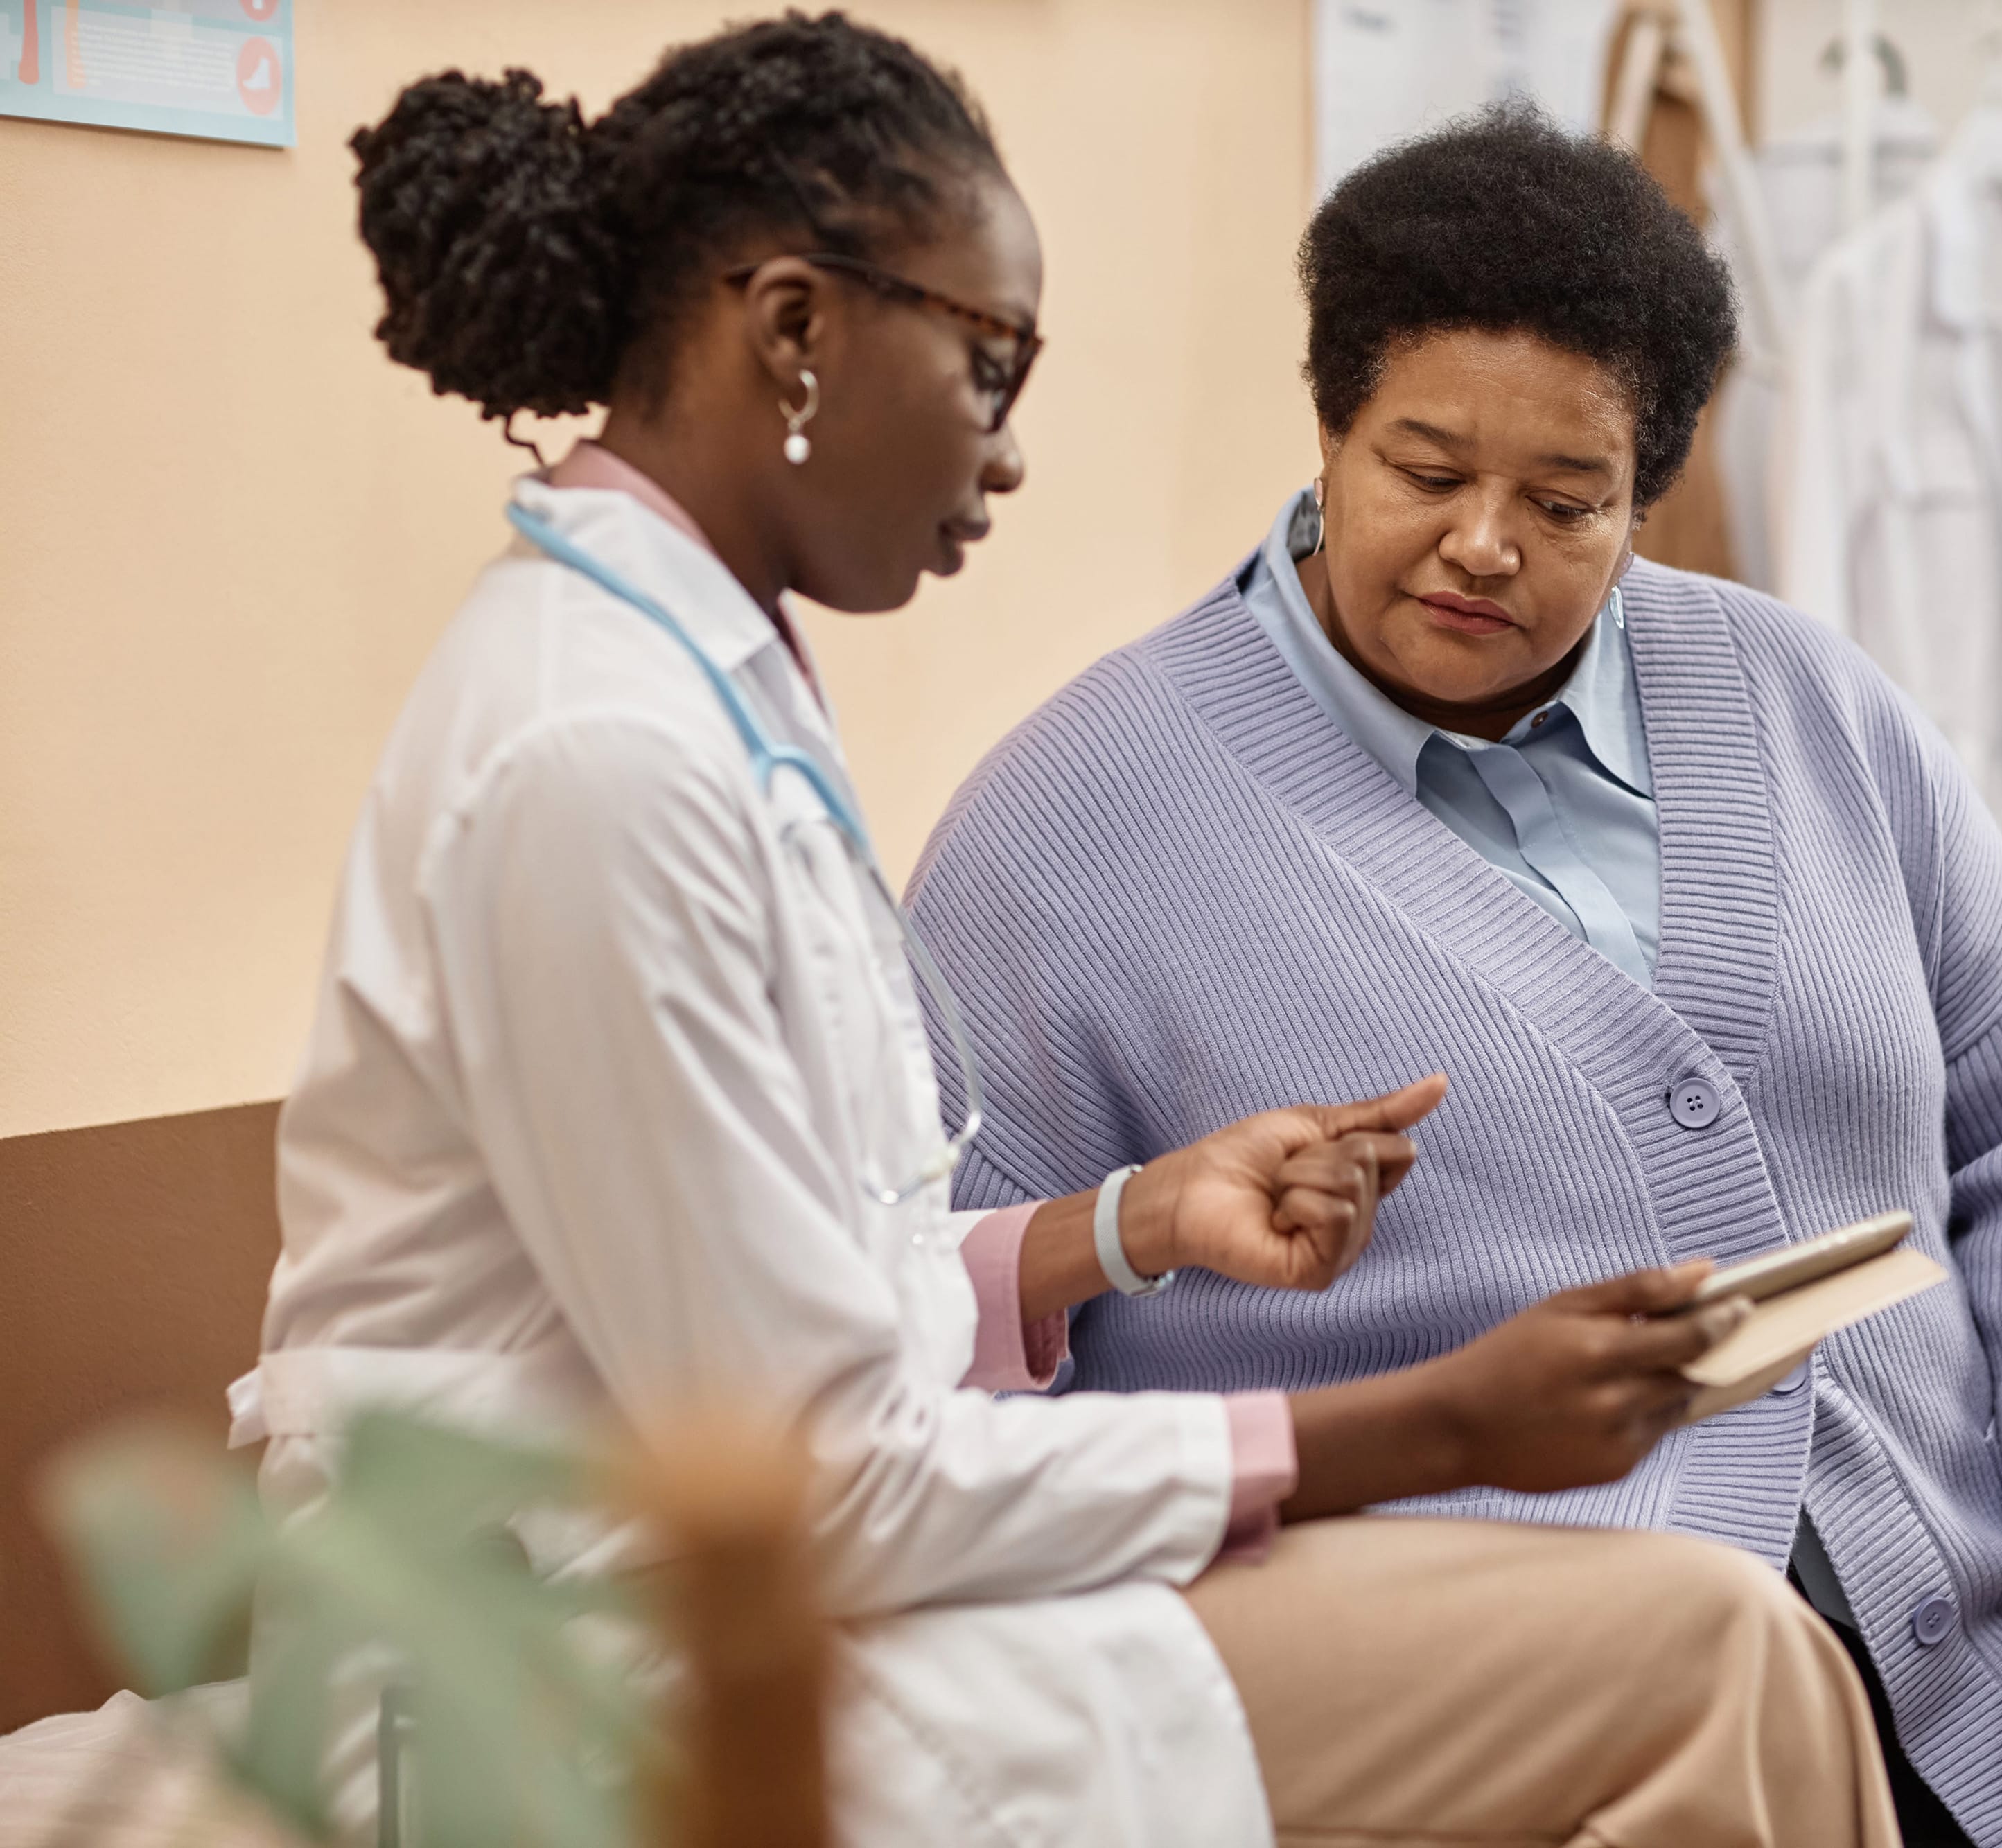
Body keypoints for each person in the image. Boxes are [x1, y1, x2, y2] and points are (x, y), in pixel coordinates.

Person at [236, 21, 1900, 1848]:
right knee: (1715, 1654)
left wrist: (1131, 1225)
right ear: (797, 330)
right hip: (564, 1668)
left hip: (739, 1579)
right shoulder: (591, 760)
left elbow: (794, 1308)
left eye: (1569, 503)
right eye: (990, 365)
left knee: (1717, 1653)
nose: (1012, 456)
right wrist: (1437, 1427)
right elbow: (819, 1469)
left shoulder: (689, 696)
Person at [908, 108, 2002, 1847]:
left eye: (1565, 503)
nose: (1485, 543)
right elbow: (919, 1329)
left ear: (1644, 497)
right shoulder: (1074, 820)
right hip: (1549, 1706)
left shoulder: (1805, 704)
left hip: (1979, 1627)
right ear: (1327, 430)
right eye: (1424, 473)